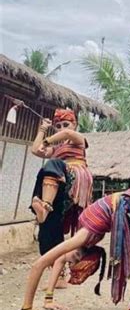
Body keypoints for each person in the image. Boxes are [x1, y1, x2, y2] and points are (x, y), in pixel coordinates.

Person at [30, 109, 93, 255]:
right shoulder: (57, 148)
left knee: (53, 164)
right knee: (48, 227)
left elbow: (67, 134)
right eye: (58, 126)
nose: (62, 128)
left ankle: (45, 205)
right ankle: (46, 209)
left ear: (74, 125)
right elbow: (34, 150)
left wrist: (46, 141)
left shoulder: (79, 140)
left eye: (66, 124)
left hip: (76, 174)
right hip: (60, 179)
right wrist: (42, 129)